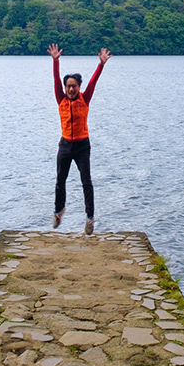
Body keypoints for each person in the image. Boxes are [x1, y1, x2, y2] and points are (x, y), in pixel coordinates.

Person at [47, 43, 111, 235]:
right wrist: (56, 62)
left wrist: (101, 65)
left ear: (79, 87)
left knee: (86, 182)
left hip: (82, 145)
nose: (71, 89)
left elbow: (94, 81)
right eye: (68, 86)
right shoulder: (61, 99)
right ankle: (59, 211)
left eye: (74, 86)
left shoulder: (85, 98)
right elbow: (56, 81)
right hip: (65, 144)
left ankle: (90, 218)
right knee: (60, 180)